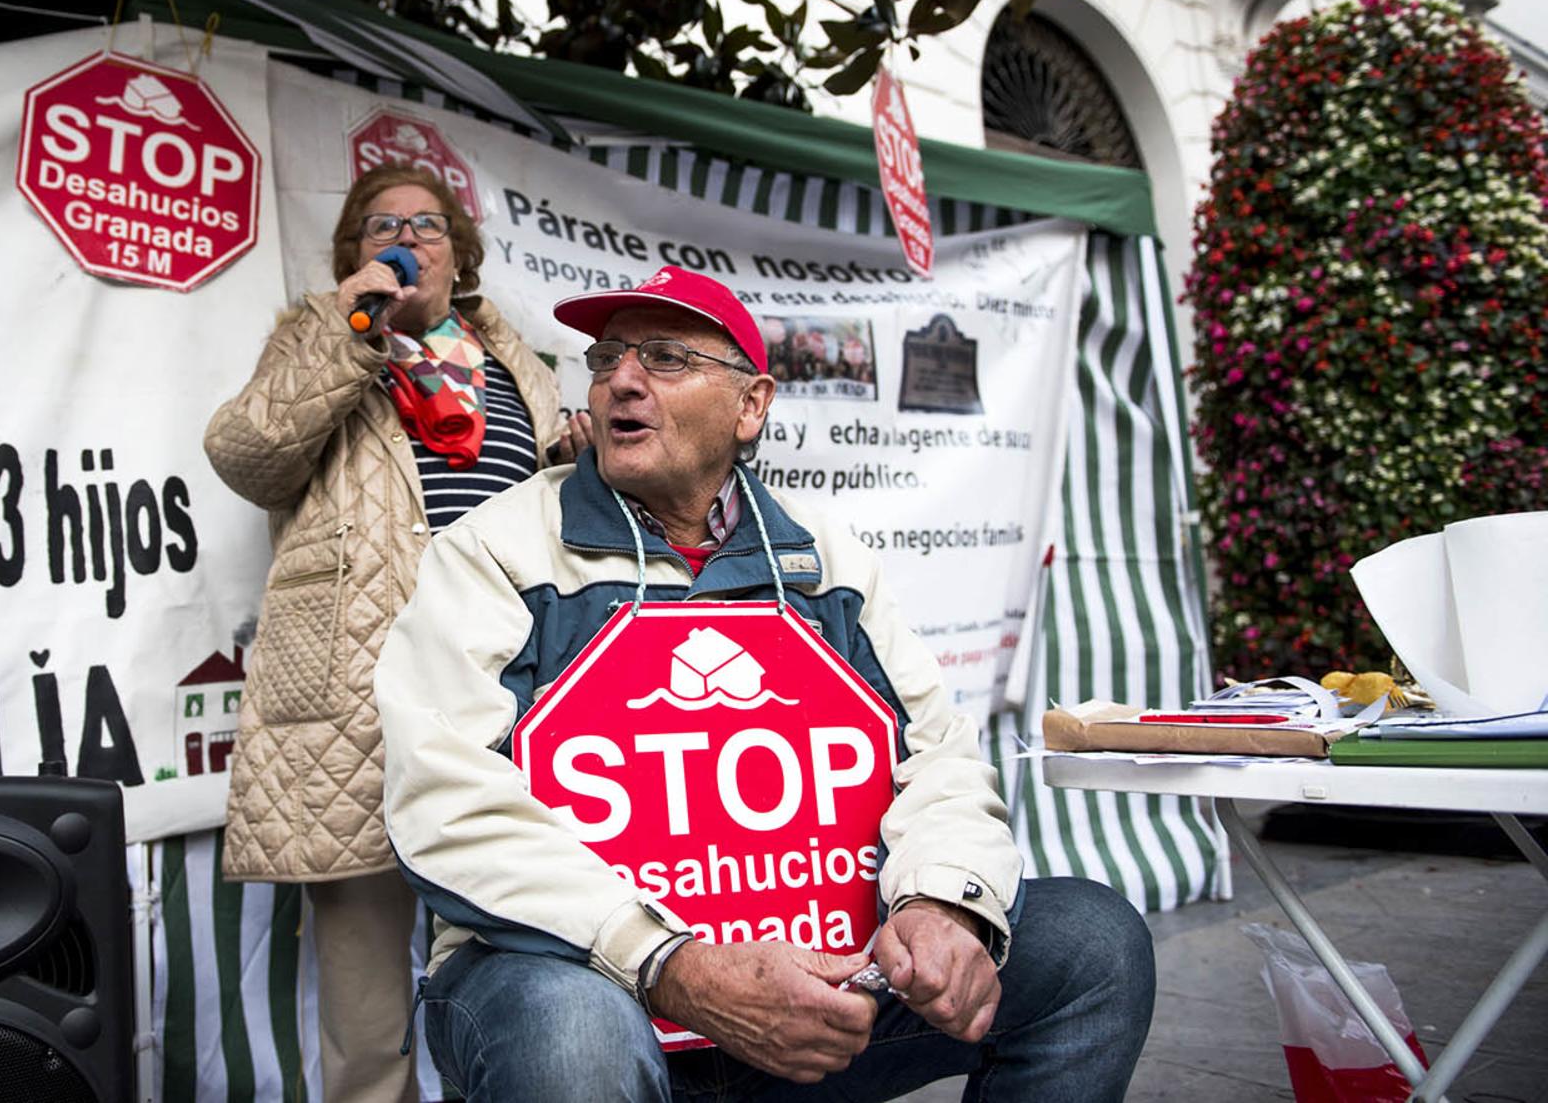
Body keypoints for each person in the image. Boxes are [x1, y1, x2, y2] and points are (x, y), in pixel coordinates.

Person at [374, 266, 1156, 1101]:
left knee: (1094, 945)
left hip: (816, 978)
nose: (621, 381)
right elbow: (442, 793)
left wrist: (941, 905)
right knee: (576, 1039)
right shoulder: (493, 551)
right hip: (577, 972)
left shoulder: (830, 564)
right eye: (606, 360)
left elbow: (940, 758)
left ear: (751, 405)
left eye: (667, 358)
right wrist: (669, 963)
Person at [204, 164, 583, 1103]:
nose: (404, 236)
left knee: (523, 965)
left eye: (427, 223)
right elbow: (245, 455)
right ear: (352, 254)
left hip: (505, 686)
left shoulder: (516, 362)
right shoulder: (317, 340)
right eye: (380, 225)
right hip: (357, 701)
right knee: (369, 1012)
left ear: (461, 250)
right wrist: (351, 328)